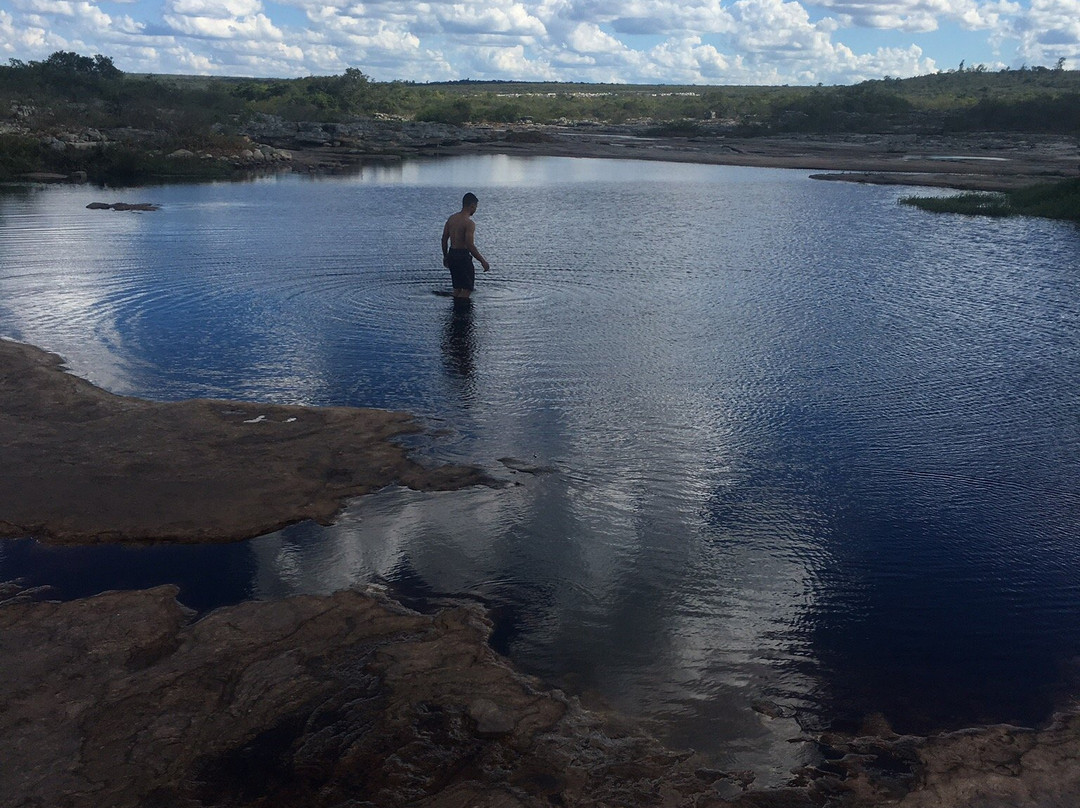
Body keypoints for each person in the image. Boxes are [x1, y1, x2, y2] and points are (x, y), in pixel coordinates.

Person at [441, 192, 490, 299]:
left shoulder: (451, 219)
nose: (476, 210)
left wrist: (446, 256)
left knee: (457, 288)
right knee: (467, 290)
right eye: (476, 207)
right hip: (462, 256)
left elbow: (444, 239)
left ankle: (455, 313)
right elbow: (470, 245)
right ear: (472, 206)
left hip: (452, 254)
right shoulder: (469, 223)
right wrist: (483, 261)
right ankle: (463, 315)